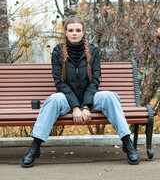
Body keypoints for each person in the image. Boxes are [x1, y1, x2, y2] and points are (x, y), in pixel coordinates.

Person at [21, 17, 140, 168]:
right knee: (53, 99)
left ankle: (127, 143)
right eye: (71, 30)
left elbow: (95, 81)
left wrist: (86, 107)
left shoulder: (92, 51)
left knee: (110, 96)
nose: (74, 33)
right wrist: (75, 107)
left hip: (90, 98)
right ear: (65, 32)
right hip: (67, 99)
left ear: (83, 33)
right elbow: (60, 83)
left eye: (78, 30)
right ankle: (35, 146)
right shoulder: (58, 52)